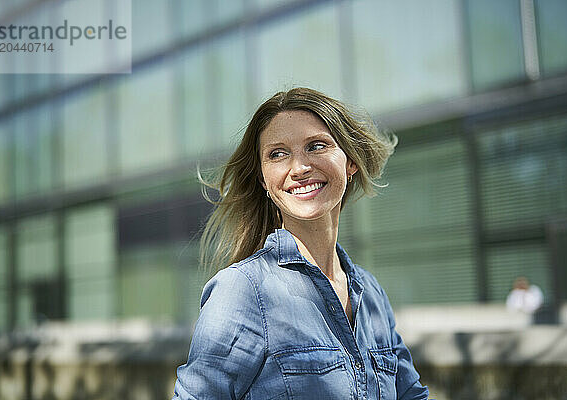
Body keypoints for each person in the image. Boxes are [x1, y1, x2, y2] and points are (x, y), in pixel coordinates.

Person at [171, 87, 429, 399]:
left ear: (351, 163)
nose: (299, 168)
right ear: (265, 180)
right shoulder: (243, 290)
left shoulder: (370, 292)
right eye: (277, 154)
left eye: (316, 146)